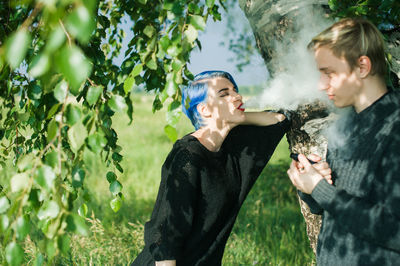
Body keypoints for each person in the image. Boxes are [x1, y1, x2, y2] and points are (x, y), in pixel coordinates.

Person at [132, 70, 290, 265]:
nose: (237, 96)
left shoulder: (233, 145)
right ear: (204, 110)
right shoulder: (187, 156)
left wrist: (236, 117)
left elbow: (279, 119)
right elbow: (167, 231)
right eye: (224, 94)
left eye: (235, 90)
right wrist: (232, 116)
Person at [287, 18, 400, 265]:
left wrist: (320, 188)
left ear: (362, 66)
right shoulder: (347, 123)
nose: (320, 85)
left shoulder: (395, 127)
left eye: (329, 73)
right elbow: (329, 207)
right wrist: (309, 186)